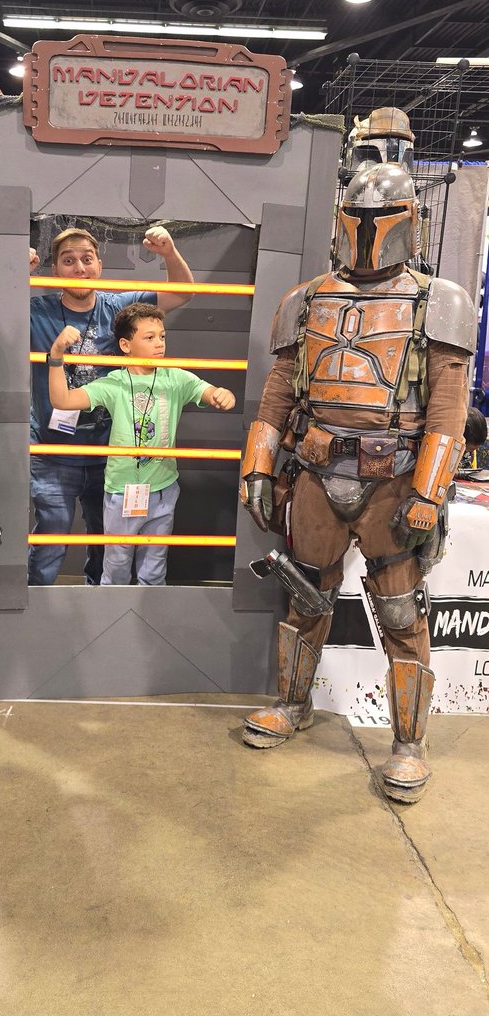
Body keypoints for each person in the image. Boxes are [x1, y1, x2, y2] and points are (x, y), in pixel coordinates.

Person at [239, 162, 475, 804]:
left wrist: (429, 489)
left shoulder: (440, 300)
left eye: (383, 217)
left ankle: (408, 743)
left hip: (393, 480)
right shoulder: (305, 299)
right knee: (306, 594)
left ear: (409, 222)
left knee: (400, 608)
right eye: (358, 215)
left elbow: (448, 411)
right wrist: (258, 464)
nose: (369, 228)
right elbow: (278, 394)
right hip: (315, 471)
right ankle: (292, 705)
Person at [29, 225, 194, 586]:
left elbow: (182, 294)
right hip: (52, 450)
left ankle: (98, 612)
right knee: (49, 542)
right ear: (55, 269)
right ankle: (32, 625)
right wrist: (17, 273)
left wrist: (168, 252)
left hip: (110, 455)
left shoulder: (118, 306)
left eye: (86, 259)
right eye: (68, 261)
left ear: (99, 265)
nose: (79, 268)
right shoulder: (35, 310)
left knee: (106, 546)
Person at [48, 302, 235, 585]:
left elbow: (205, 389)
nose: (159, 343)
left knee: (154, 567)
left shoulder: (175, 378)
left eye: (162, 336)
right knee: (116, 567)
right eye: (149, 338)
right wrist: (56, 357)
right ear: (126, 345)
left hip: (163, 490)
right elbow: (63, 401)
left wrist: (221, 393)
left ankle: (147, 623)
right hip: (123, 491)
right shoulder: (115, 383)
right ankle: (115, 622)